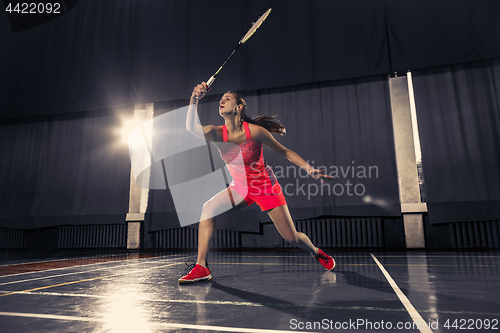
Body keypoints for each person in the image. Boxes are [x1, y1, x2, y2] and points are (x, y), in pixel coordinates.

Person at [179, 82, 335, 284]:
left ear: (239, 107)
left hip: (265, 186)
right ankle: (202, 267)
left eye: (227, 98)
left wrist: (310, 170)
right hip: (240, 188)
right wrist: (194, 98)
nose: (222, 101)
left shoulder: (255, 132)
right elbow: (191, 128)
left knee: (291, 237)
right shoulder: (217, 133)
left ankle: (315, 252)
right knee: (208, 208)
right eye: (220, 100)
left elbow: (285, 151)